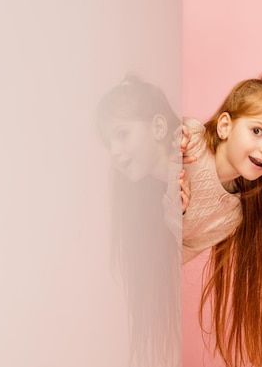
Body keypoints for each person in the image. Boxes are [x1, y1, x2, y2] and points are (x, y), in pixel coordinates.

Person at [181, 70, 262, 367]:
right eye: (257, 131)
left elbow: (173, 257)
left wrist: (177, 215)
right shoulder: (189, 140)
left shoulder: (230, 215)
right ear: (225, 125)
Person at [96, 75, 188, 367]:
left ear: (158, 127)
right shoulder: (166, 202)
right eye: (109, 143)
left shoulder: (198, 166)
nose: (115, 154)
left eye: (122, 134)